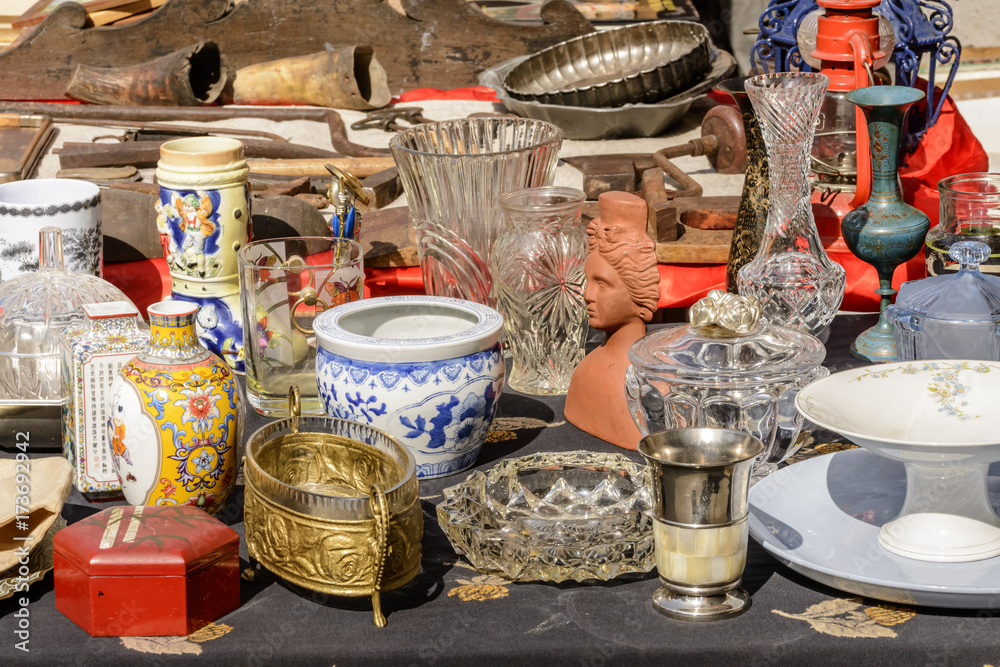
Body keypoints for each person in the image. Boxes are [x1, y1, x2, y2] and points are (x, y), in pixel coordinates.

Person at [564, 191, 660, 450]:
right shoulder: (585, 373)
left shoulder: (647, 387)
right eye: (588, 281)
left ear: (638, 291)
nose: (587, 295)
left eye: (602, 284)